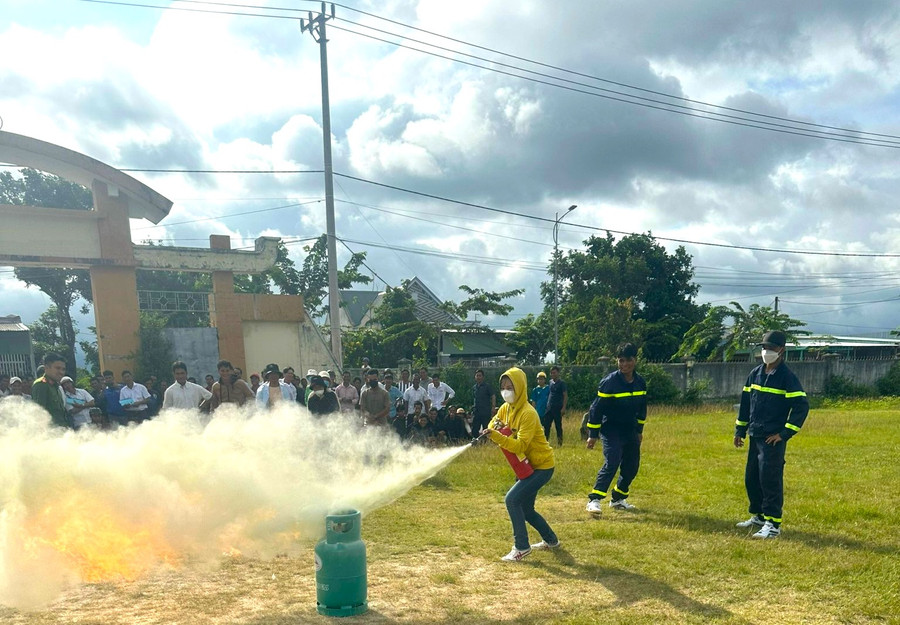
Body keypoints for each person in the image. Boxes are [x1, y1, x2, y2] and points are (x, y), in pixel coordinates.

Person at [734, 330, 809, 539]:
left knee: (770, 479)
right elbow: (746, 404)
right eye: (764, 347)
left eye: (771, 348)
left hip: (771, 440)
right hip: (755, 435)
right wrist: (740, 430)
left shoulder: (787, 377)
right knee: (753, 478)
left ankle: (773, 523)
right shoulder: (755, 373)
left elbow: (801, 406)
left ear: (781, 350)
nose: (766, 351)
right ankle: (757, 515)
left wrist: (784, 434)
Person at [482, 367, 559, 562]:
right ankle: (551, 541)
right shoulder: (506, 408)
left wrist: (497, 436)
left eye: (510, 387)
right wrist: (492, 430)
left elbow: (520, 445)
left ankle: (521, 547)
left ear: (520, 388)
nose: (506, 391)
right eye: (503, 387)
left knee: (512, 500)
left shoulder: (528, 413)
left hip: (541, 466)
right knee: (526, 510)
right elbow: (494, 422)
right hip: (525, 466)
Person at [585, 343, 647, 516]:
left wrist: (639, 430)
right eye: (621, 361)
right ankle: (594, 500)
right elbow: (596, 409)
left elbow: (642, 409)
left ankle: (618, 499)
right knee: (612, 461)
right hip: (611, 429)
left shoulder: (640, 382)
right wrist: (593, 435)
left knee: (632, 466)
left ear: (635, 360)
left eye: (628, 360)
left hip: (630, 430)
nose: (624, 364)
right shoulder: (609, 382)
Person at [30, 353, 69, 428]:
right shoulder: (41, 384)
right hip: (50, 433)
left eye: (63, 369)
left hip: (61, 431)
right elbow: (39, 413)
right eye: (57, 368)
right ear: (47, 368)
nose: (61, 372)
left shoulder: (56, 386)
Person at [543, 366, 567, 446]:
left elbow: (565, 395)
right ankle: (545, 442)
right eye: (551, 373)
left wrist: (563, 408)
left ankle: (560, 443)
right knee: (546, 425)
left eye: (554, 373)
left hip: (558, 408)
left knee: (558, 426)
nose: (553, 374)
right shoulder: (550, 382)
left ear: (558, 373)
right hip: (549, 407)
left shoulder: (561, 383)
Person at [471, 369, 496, 441]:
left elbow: (493, 396)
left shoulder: (487, 386)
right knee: (475, 428)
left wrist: (493, 407)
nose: (478, 377)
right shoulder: (474, 387)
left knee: (486, 427)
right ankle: (475, 441)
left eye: (480, 376)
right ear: (475, 377)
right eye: (477, 376)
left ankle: (487, 441)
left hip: (485, 410)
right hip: (477, 411)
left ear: (483, 377)